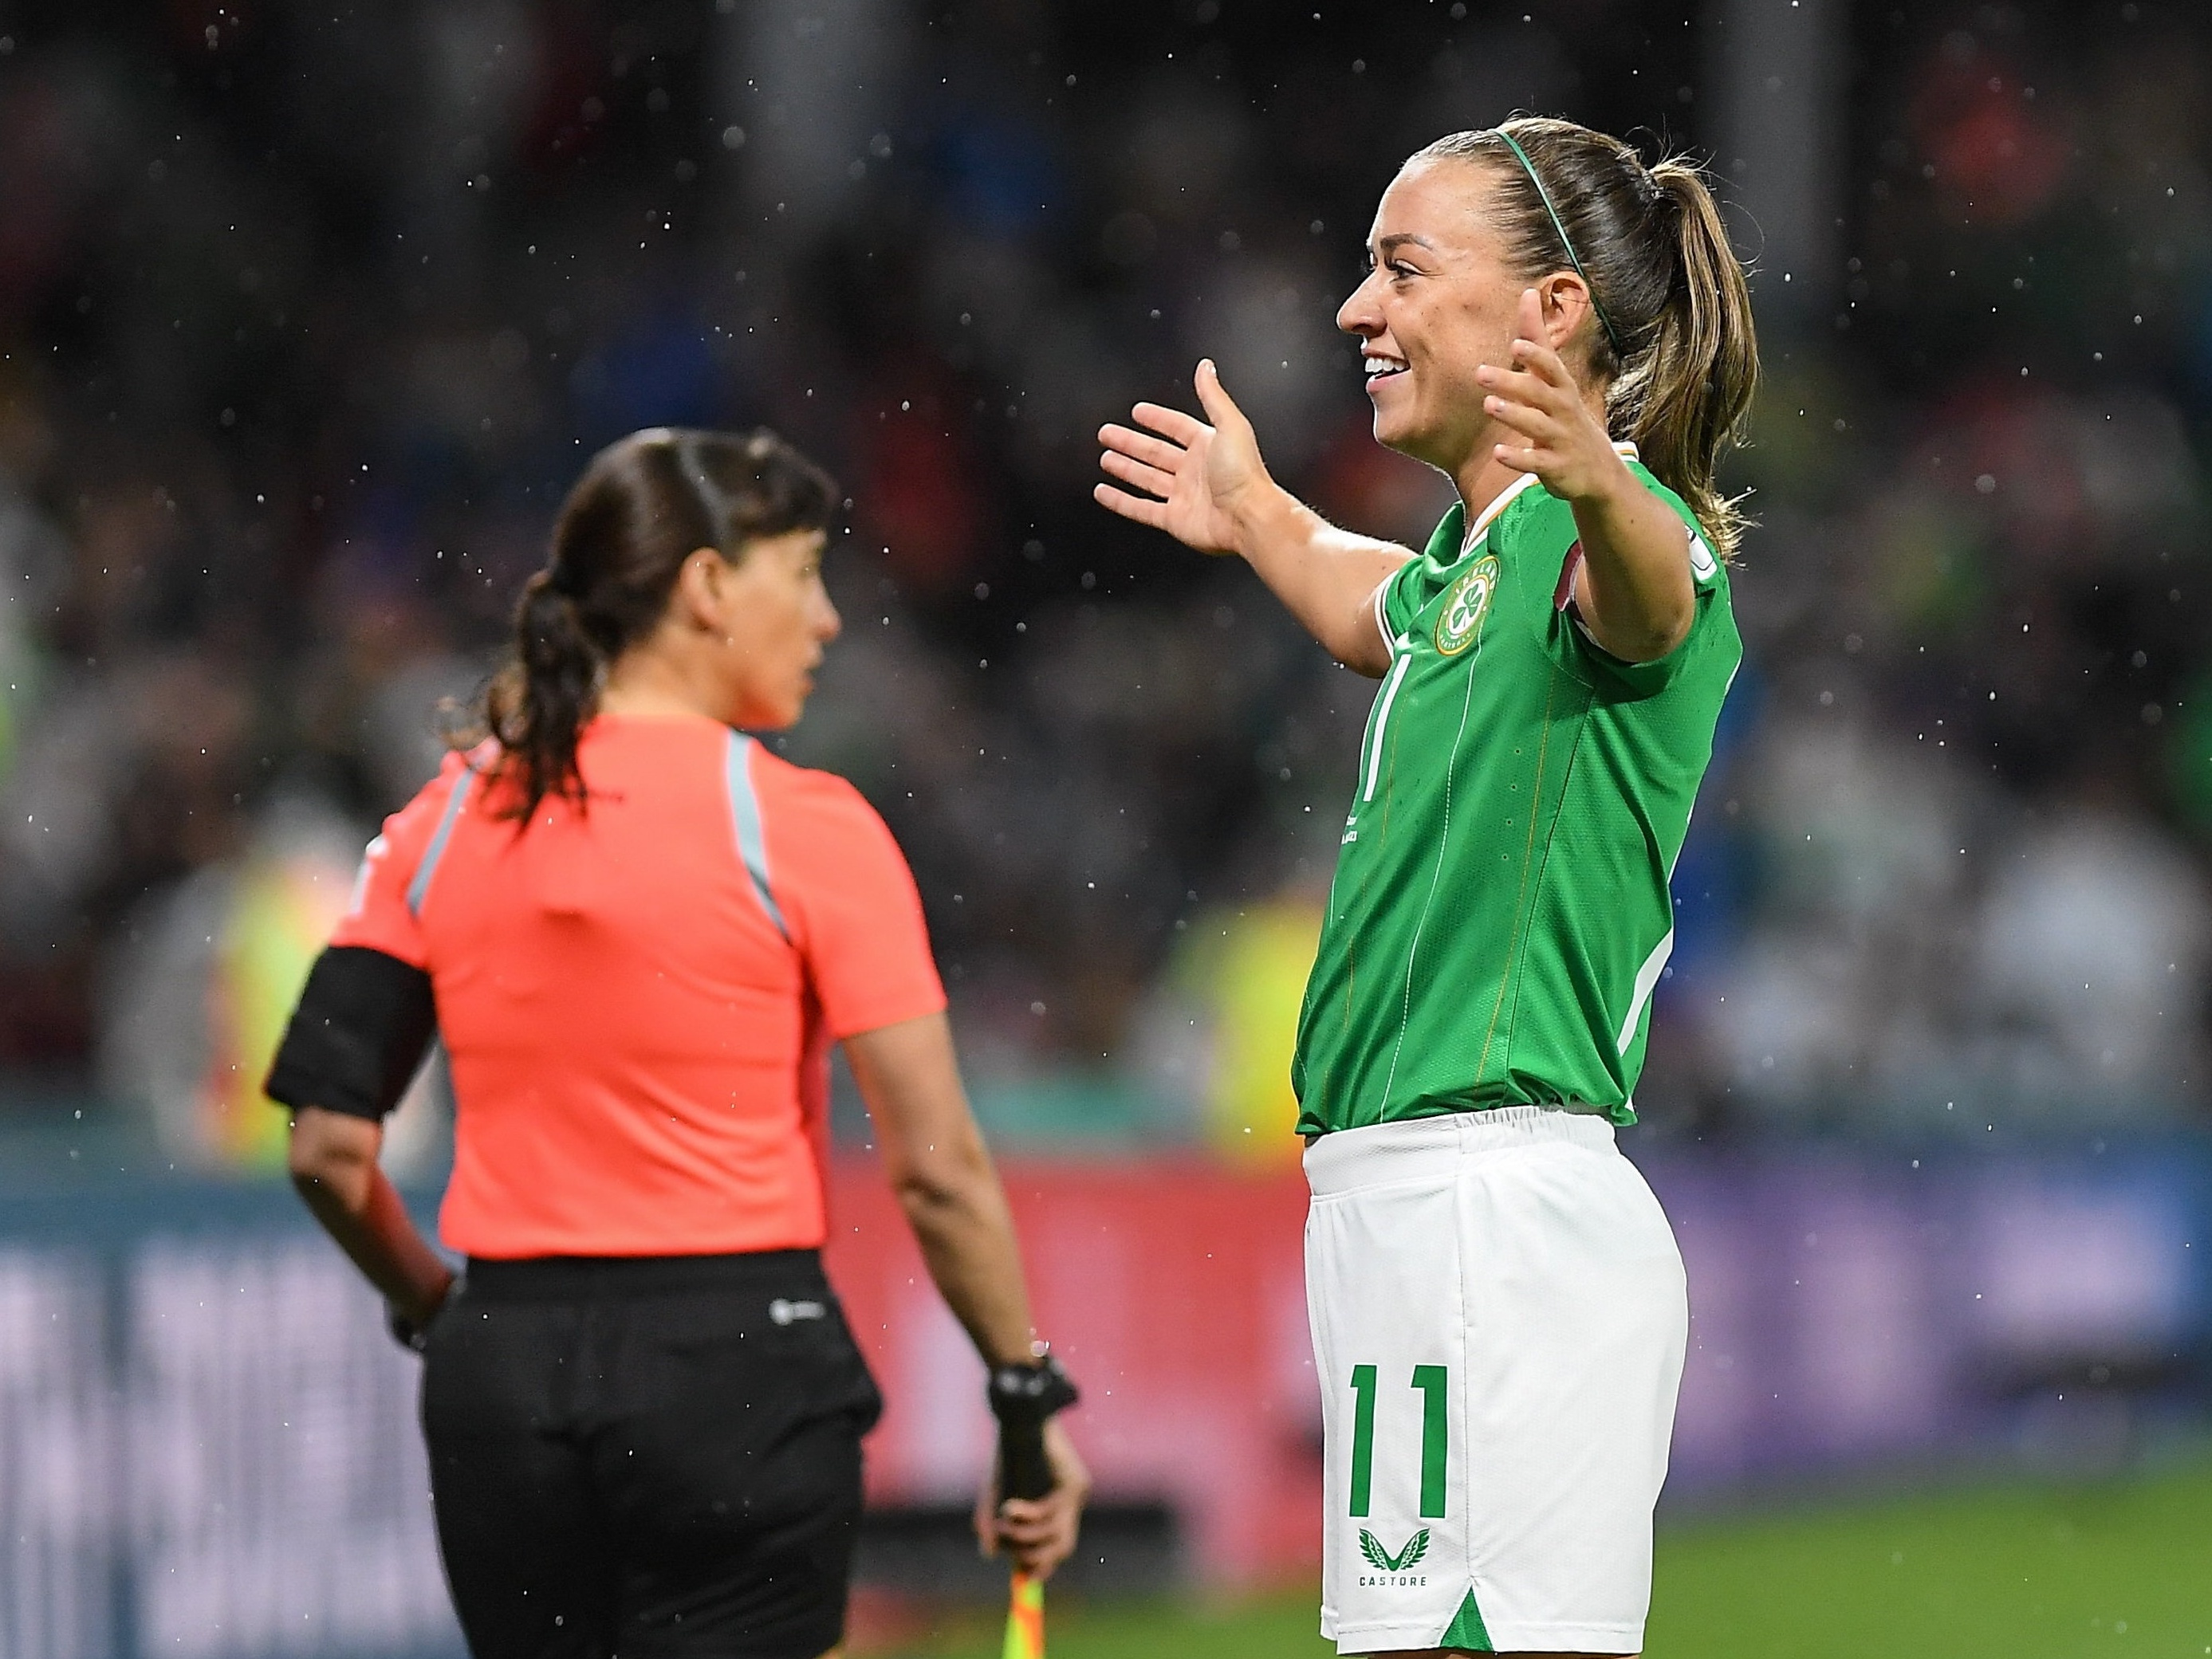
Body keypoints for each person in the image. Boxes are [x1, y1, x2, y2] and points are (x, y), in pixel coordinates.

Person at [1097, 117, 1757, 1658]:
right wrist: (1255, 513)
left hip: (1494, 1218)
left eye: (1403, 267)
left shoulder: (1608, 546)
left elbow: (1654, 595)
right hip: (1413, 1218)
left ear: (1552, 312)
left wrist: (1605, 478)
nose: (1354, 309)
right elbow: (1365, 607)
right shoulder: (1472, 563)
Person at [266, 427, 1086, 1659]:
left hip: (504, 1375)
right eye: (803, 574)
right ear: (708, 588)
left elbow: (329, 1149)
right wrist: (1024, 1395)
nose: (825, 621)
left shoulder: (439, 823)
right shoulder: (802, 825)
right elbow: (937, 1169)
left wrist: (439, 1305)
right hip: (733, 1366)